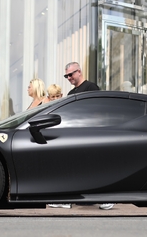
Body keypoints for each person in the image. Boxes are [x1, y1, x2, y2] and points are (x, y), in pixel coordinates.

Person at [49, 62, 114, 211]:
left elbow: (99, 111)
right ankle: (67, 200)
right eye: (66, 76)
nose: (68, 78)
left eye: (70, 74)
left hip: (91, 134)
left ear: (79, 72)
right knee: (73, 167)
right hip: (74, 135)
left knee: (96, 167)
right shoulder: (71, 94)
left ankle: (106, 199)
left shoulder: (91, 87)